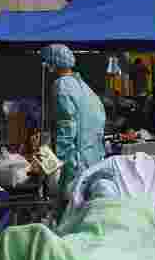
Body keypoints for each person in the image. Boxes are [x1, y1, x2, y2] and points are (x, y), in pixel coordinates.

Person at [40, 44, 107, 196]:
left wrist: (62, 161)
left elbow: (66, 126)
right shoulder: (83, 86)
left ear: (52, 63)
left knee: (69, 202)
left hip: (76, 162)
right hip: (93, 158)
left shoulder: (62, 85)